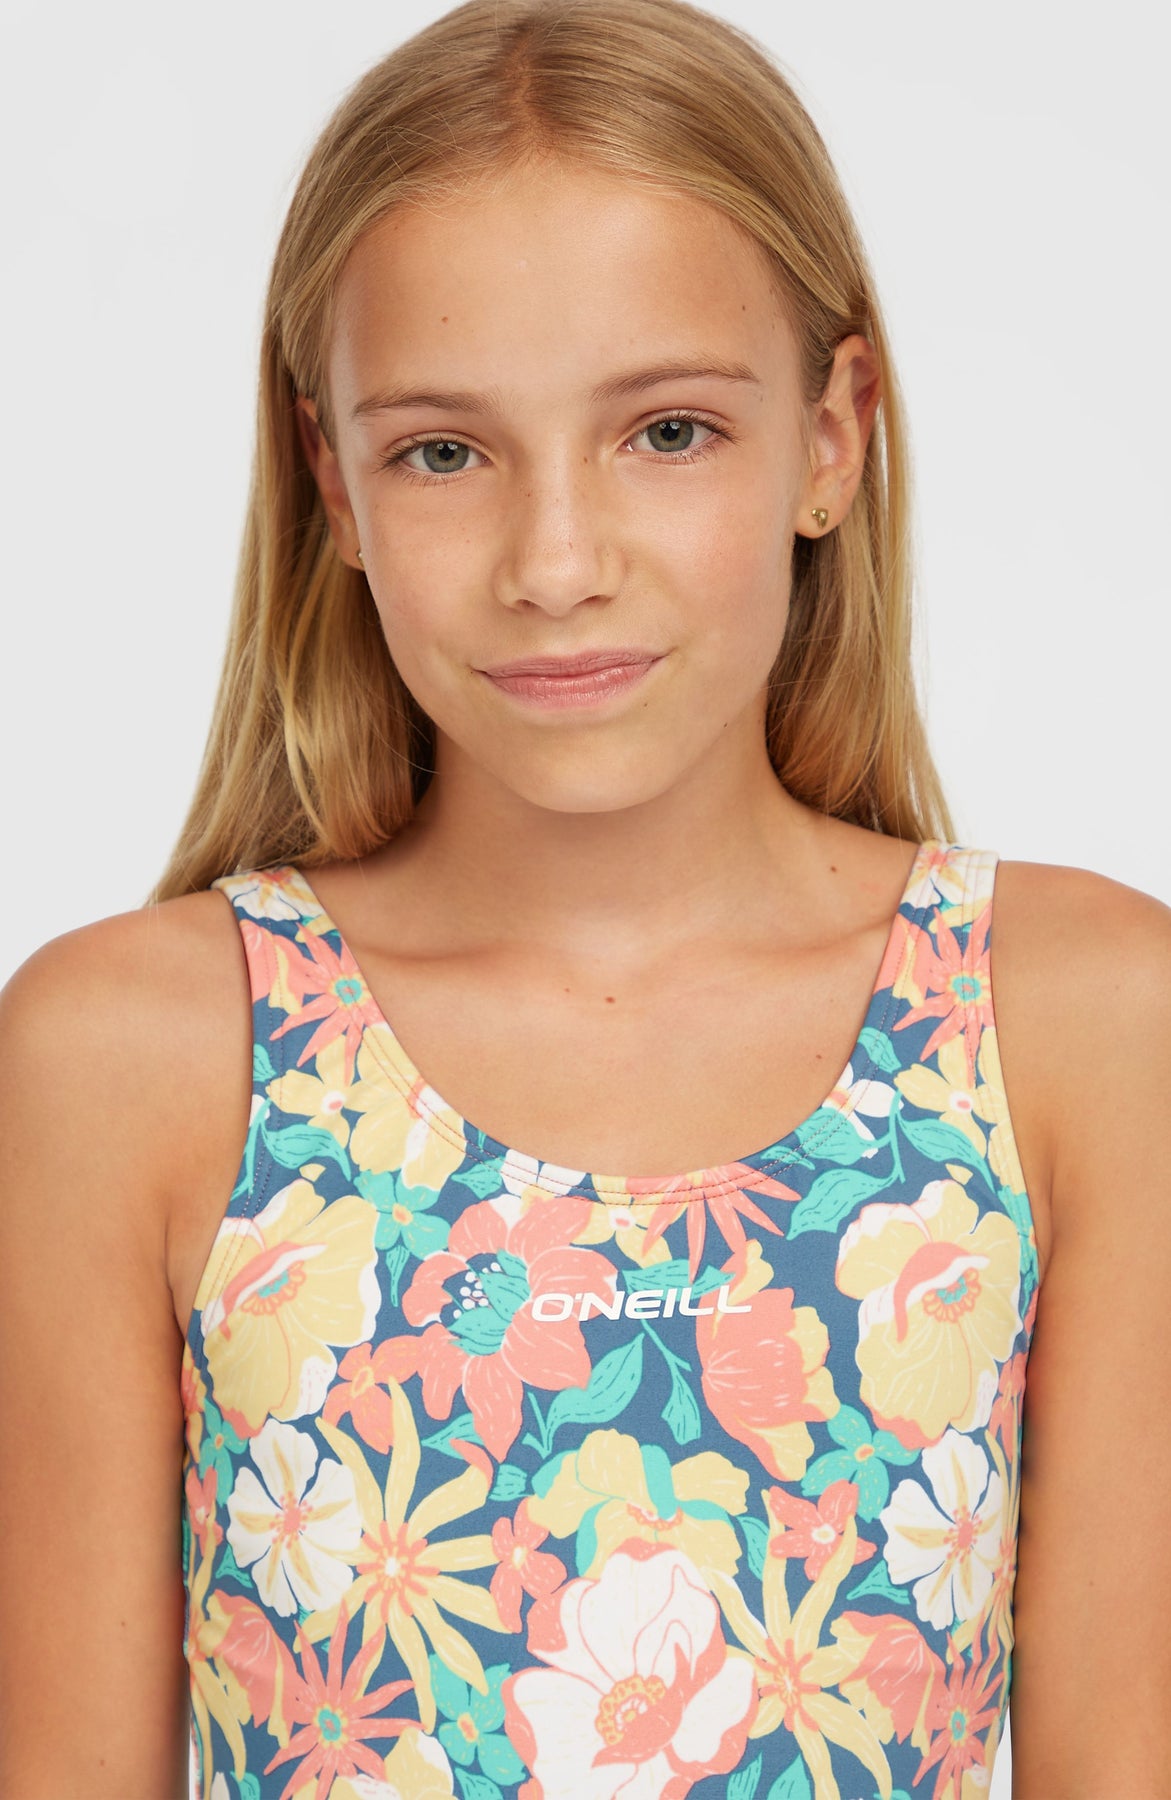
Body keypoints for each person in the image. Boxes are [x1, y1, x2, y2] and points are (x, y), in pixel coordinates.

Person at [1, 0, 1168, 1794]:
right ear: (333, 483)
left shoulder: (1080, 1030)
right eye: (444, 452)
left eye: (668, 431)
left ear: (833, 435)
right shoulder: (135, 1060)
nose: (556, 563)